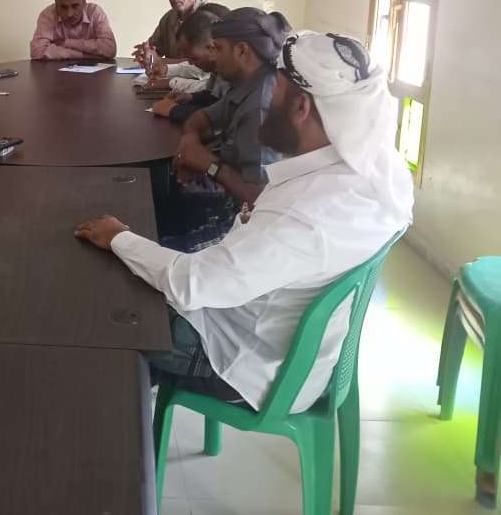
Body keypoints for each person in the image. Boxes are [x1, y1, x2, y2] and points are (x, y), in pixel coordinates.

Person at [76, 31, 413, 413]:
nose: (266, 101)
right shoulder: (374, 172)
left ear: (301, 107)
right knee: (137, 276)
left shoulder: (307, 217)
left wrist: (120, 237)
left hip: (245, 360)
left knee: (105, 312)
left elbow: (192, 284)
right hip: (280, 335)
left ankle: (107, 430)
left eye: (276, 91)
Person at [158, 8, 290, 252]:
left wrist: (208, 163)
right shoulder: (247, 83)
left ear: (241, 51)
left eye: (218, 48)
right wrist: (189, 141)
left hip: (253, 224)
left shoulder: (260, 106)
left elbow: (261, 198)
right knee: (159, 204)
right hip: (232, 200)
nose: (213, 56)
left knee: (161, 246)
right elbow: (202, 118)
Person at [150, 7, 231, 123]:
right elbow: (214, 97)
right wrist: (191, 97)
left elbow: (222, 116)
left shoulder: (232, 71)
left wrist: (172, 110)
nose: (190, 63)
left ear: (212, 48)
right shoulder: (217, 68)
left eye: (193, 58)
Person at [133, 0, 205, 69]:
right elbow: (153, 51)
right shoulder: (168, 18)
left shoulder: (210, 16)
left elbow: (201, 65)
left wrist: (159, 61)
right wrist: (145, 54)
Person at [29, 0, 116, 60]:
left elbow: (109, 49)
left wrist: (66, 43)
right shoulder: (48, 15)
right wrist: (84, 55)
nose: (69, 14)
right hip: (56, 70)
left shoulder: (94, 12)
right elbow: (37, 51)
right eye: (63, 7)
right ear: (56, 5)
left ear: (84, 3)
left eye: (75, 6)